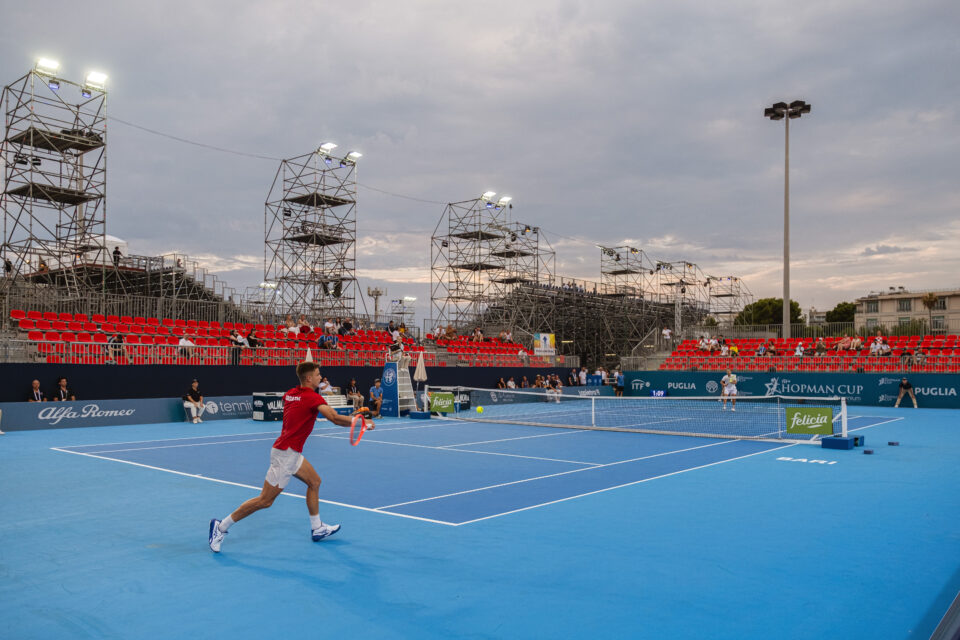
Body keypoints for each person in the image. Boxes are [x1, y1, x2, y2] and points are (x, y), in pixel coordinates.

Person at [208, 361, 374, 552]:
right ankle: (220, 527)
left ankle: (317, 527)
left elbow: (306, 410)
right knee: (265, 500)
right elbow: (334, 418)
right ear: (309, 378)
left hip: (289, 451)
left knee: (314, 482)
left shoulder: (290, 394)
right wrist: (361, 422)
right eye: (318, 375)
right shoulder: (311, 397)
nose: (321, 377)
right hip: (285, 455)